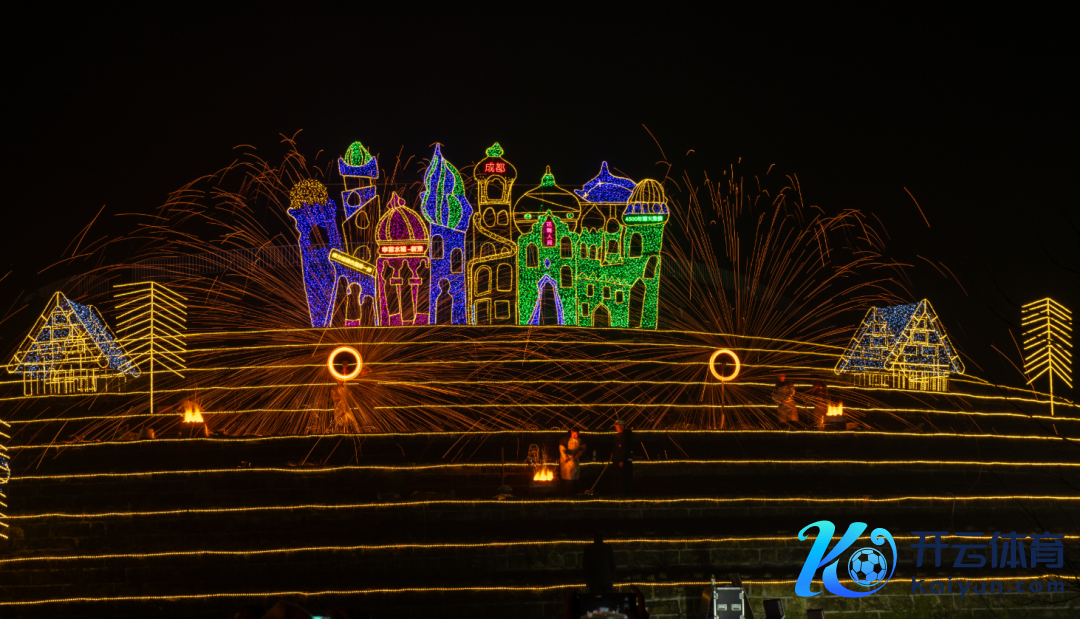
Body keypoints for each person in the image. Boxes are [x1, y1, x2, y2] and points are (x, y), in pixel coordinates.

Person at [559, 429, 587, 495]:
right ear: (571, 432)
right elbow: (562, 449)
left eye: (576, 434)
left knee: (575, 479)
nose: (575, 435)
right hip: (566, 462)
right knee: (568, 480)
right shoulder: (565, 440)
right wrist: (565, 457)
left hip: (575, 461)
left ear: (578, 434)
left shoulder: (580, 440)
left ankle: (576, 495)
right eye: (573, 434)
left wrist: (580, 453)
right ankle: (567, 495)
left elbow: (584, 447)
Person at [611, 420, 634, 495]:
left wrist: (621, 460)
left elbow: (624, 449)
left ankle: (623, 494)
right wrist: (613, 454)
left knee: (623, 479)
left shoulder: (625, 436)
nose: (616, 427)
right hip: (619, 461)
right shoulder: (620, 435)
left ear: (622, 426)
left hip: (623, 462)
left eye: (617, 426)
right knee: (619, 478)